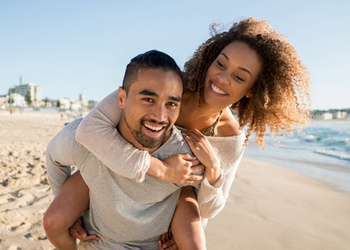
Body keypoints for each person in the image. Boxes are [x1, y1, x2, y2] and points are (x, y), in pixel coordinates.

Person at [49, 17, 312, 249]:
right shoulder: (167, 84)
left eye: (239, 77)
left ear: (253, 90)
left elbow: (208, 208)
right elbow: (91, 130)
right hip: (110, 184)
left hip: (164, 207)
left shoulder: (230, 139)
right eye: (220, 64)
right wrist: (160, 169)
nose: (222, 78)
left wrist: (214, 171)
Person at [44, 50, 211, 249]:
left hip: (156, 244)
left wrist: (215, 171)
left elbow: (204, 207)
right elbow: (53, 156)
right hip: (98, 240)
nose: (160, 116)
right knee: (53, 223)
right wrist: (71, 214)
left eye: (171, 103)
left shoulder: (185, 155)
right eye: (148, 99)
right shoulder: (86, 138)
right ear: (121, 98)